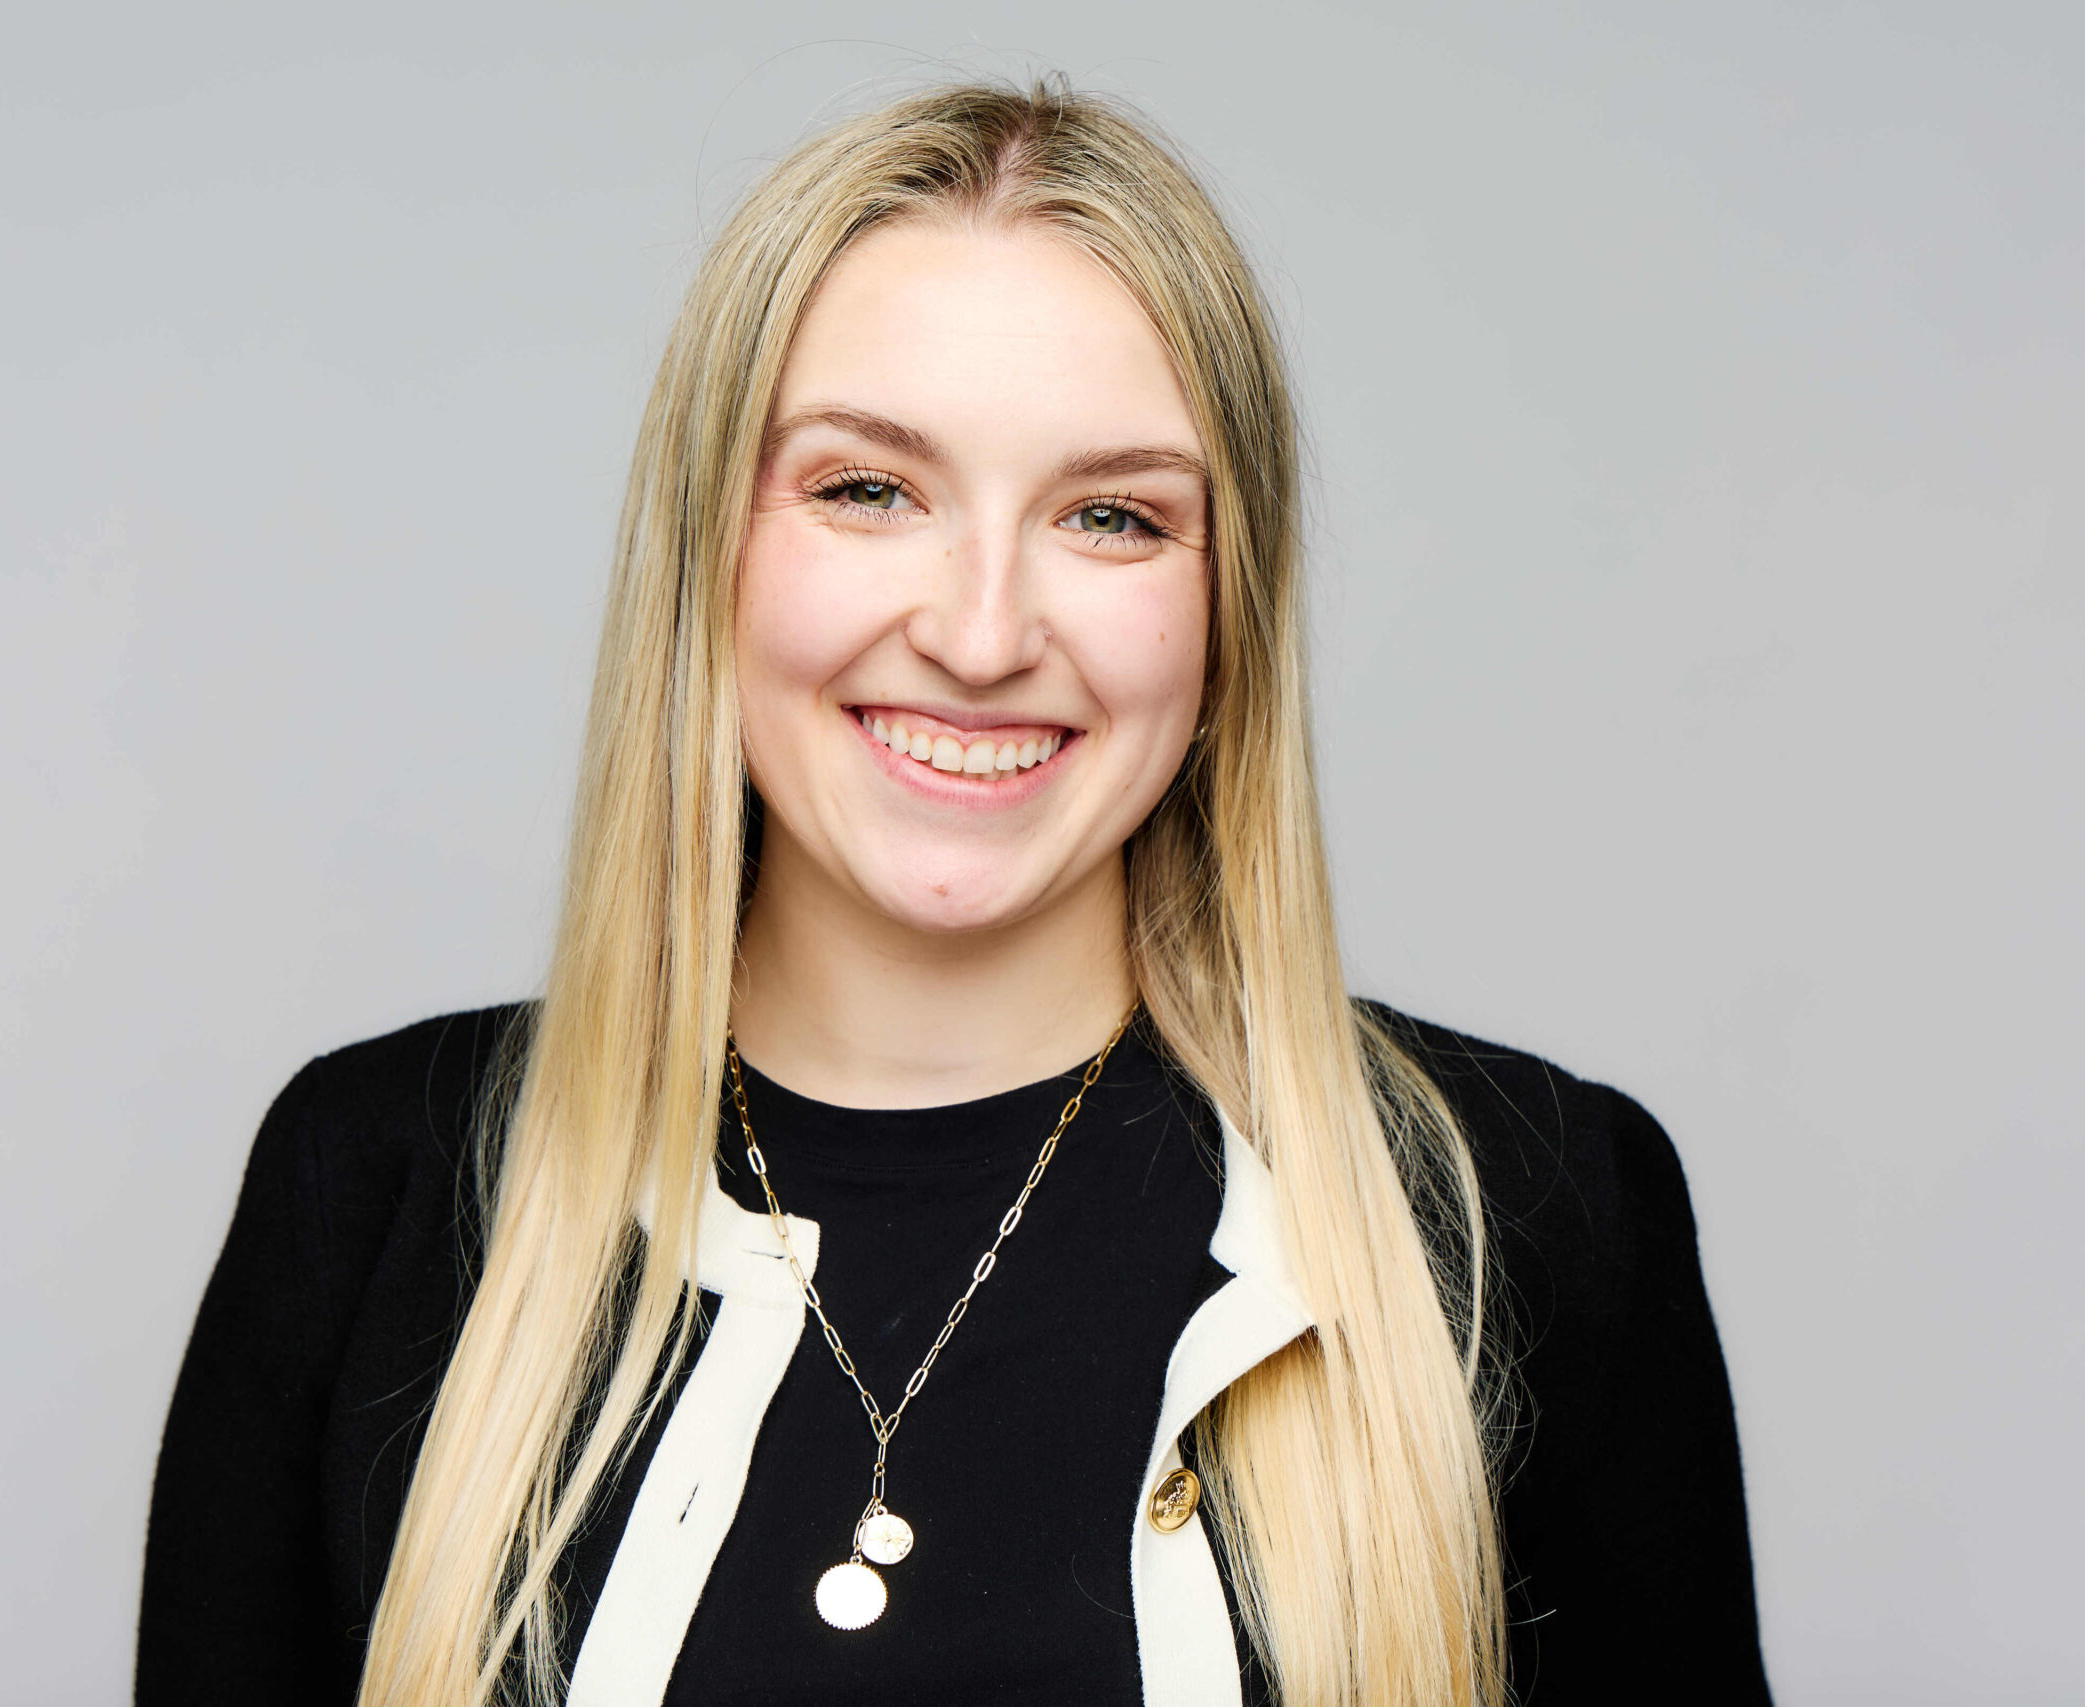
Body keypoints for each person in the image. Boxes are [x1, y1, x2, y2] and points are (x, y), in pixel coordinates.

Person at [136, 80, 1769, 1707]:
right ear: (710, 548)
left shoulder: (1530, 1218)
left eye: (1112, 516)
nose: (983, 636)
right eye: (868, 489)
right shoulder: (372, 1194)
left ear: (1226, 616)